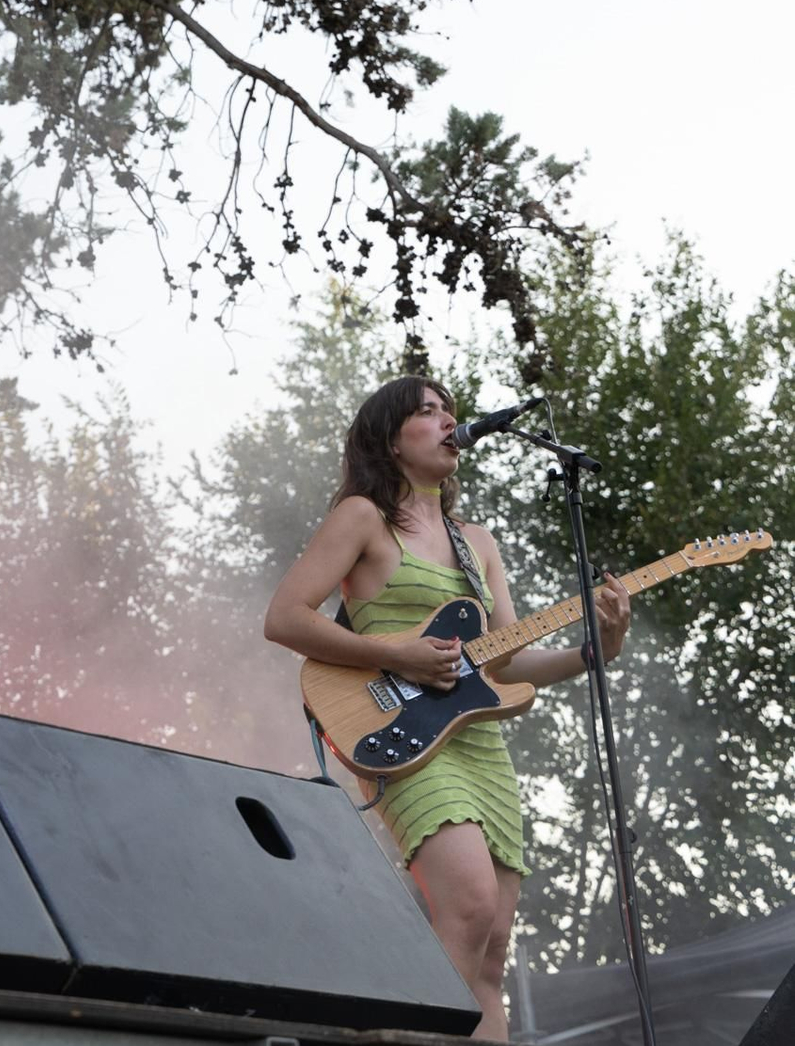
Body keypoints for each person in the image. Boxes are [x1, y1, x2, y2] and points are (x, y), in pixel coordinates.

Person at [263, 376, 631, 1040]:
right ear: (390, 440)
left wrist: (598, 647)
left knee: (491, 948)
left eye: (449, 412)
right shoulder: (362, 516)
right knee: (467, 905)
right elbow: (285, 618)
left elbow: (508, 663)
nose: (446, 422)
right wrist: (401, 654)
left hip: (476, 744)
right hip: (394, 728)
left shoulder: (477, 542)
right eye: (427, 413)